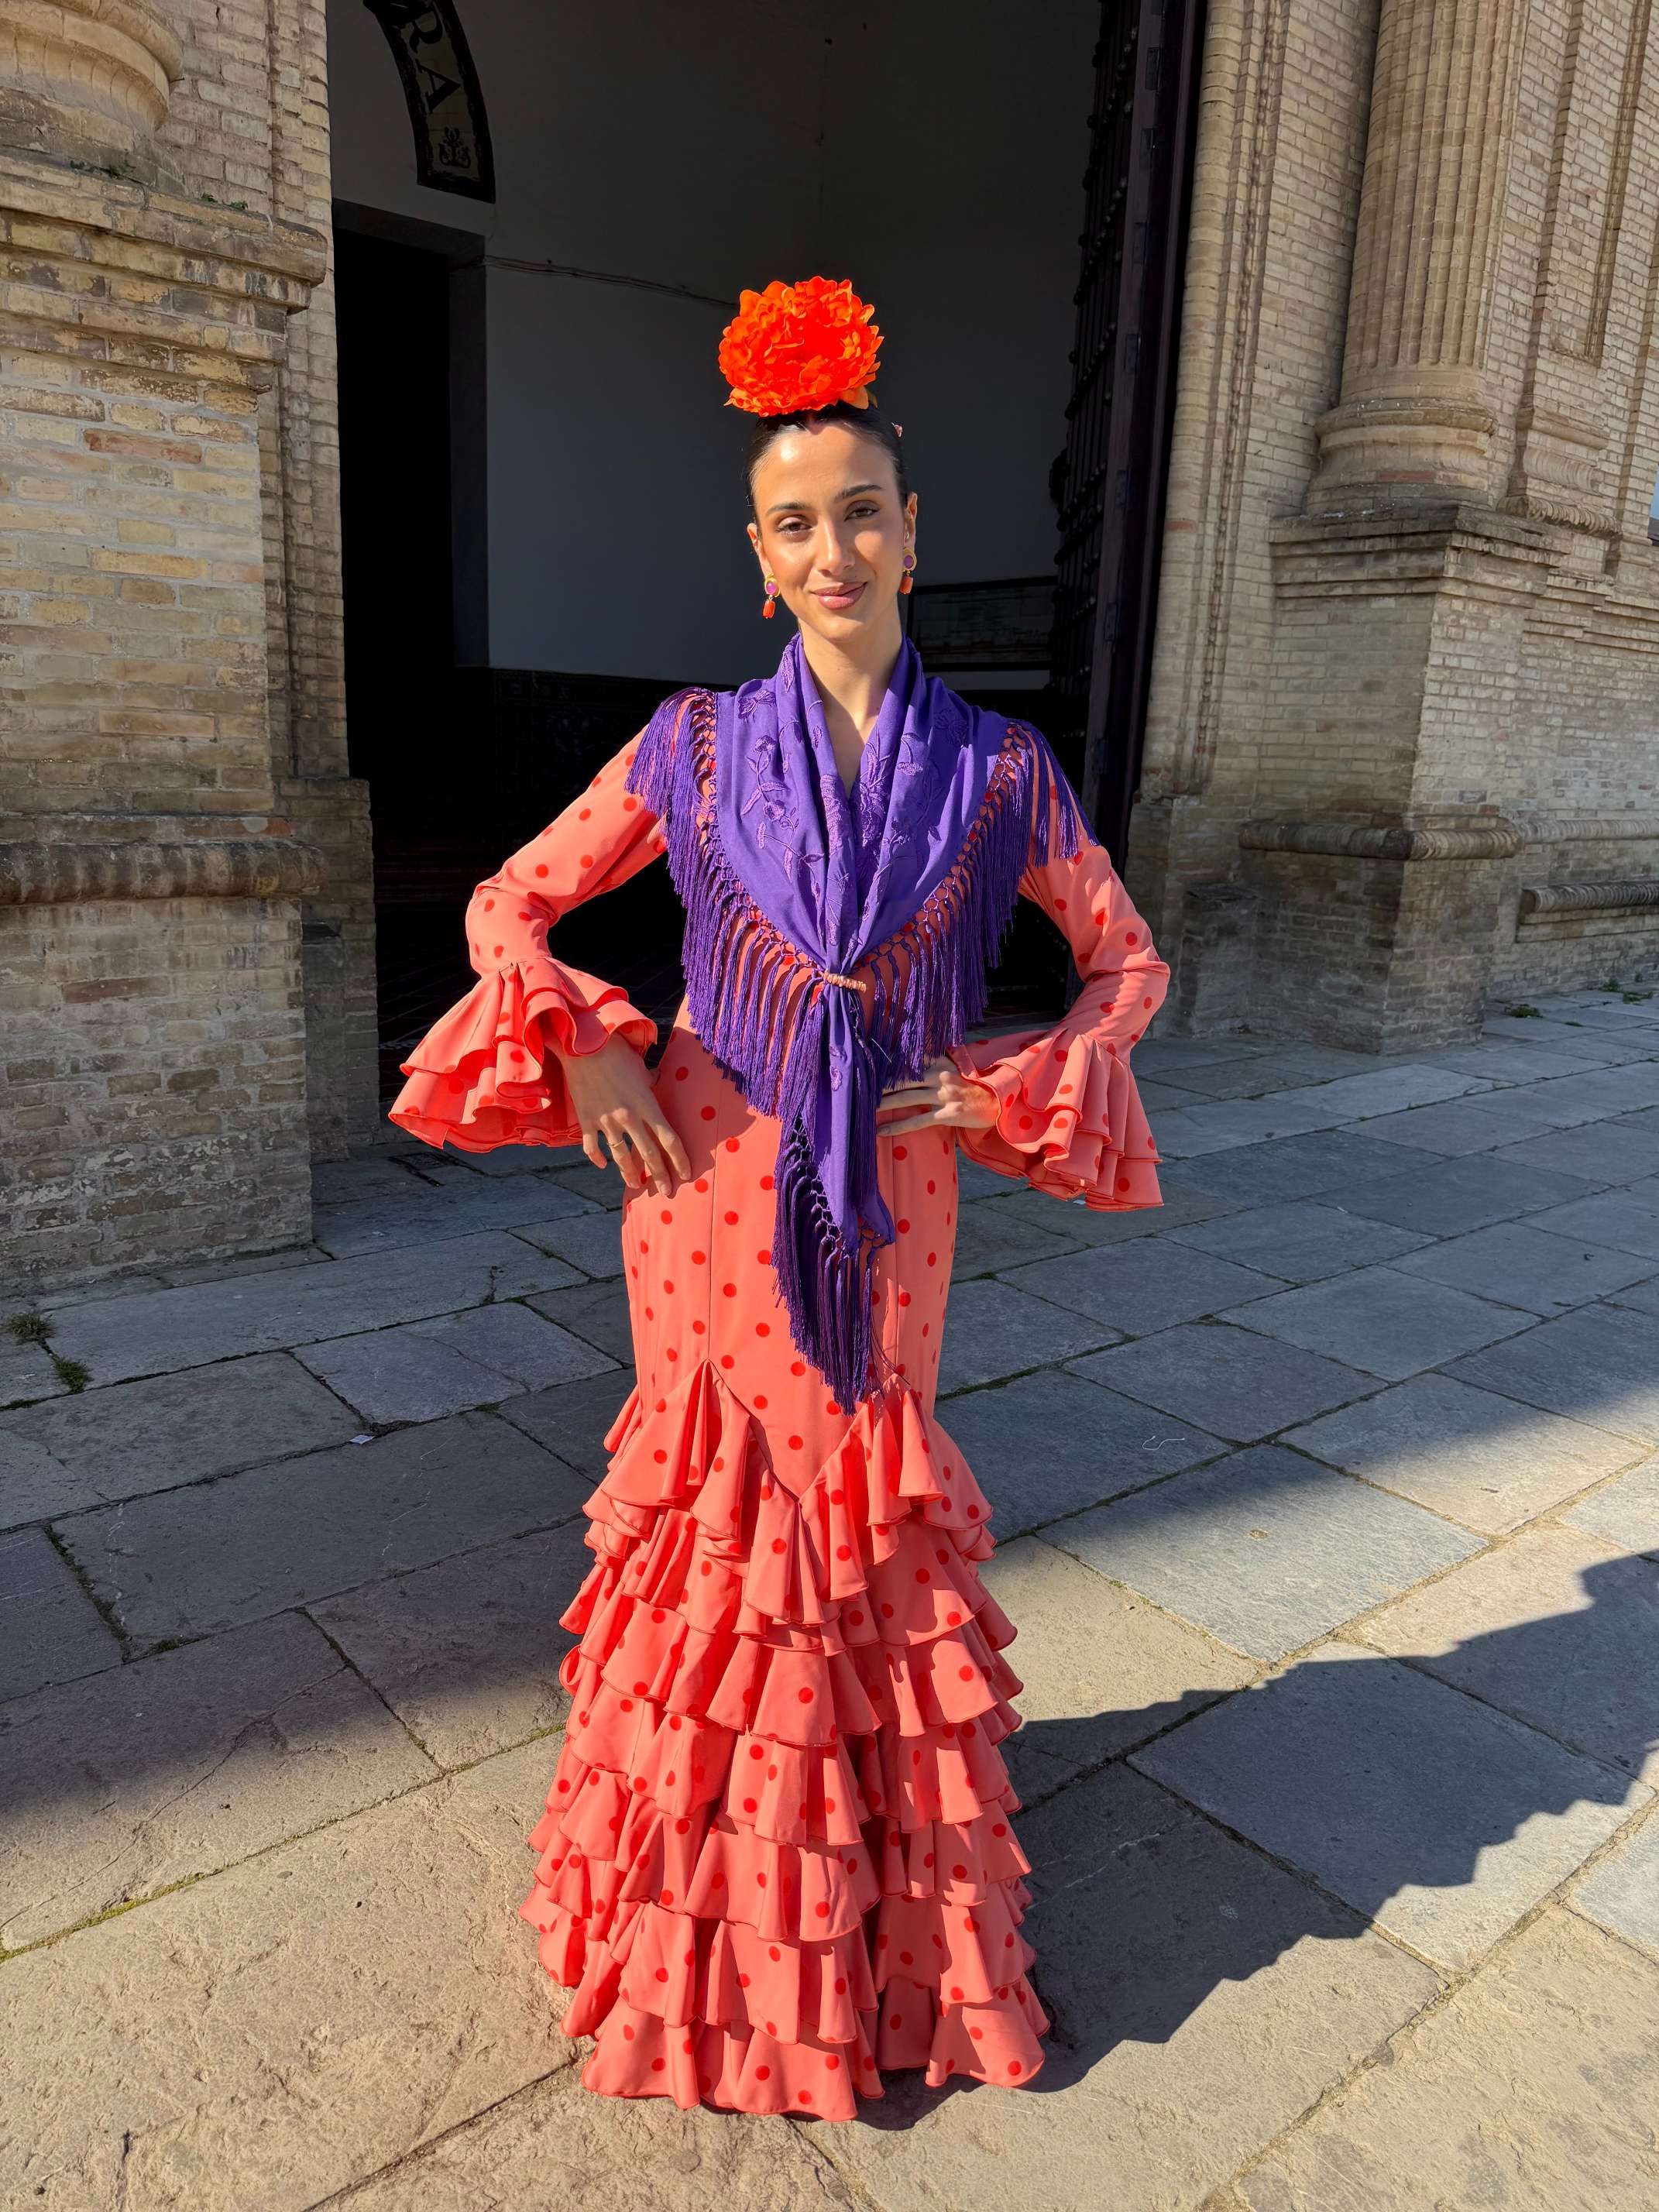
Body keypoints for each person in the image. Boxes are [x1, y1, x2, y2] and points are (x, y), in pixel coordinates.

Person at [390, 277, 1168, 2118]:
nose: (837, 548)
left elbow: (1126, 965)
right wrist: (584, 1044)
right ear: (760, 553)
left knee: (859, 1498)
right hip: (701, 1165)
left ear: (917, 533)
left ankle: (870, 1930)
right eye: (798, 522)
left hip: (892, 1175)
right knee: (716, 1507)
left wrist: (1005, 1085)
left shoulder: (996, 767)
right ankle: (700, 1919)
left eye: (865, 513)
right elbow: (511, 900)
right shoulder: (692, 747)